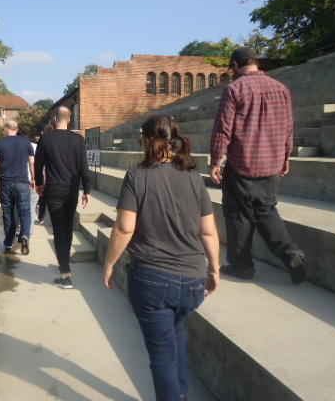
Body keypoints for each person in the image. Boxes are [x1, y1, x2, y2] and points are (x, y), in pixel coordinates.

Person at [103, 115, 220, 401]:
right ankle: (181, 394)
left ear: (145, 141)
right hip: (193, 280)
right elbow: (208, 232)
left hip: (152, 280)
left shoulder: (137, 176)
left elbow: (124, 228)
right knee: (176, 334)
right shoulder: (194, 179)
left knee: (162, 356)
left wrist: (109, 263)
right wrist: (214, 270)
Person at [210, 46, 307, 283]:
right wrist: (285, 157)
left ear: (235, 66)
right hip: (272, 164)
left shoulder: (234, 89)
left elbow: (223, 129)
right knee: (266, 210)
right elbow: (288, 128)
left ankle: (242, 266)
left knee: (237, 214)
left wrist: (215, 160)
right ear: (256, 63)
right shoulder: (281, 89)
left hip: (241, 164)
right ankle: (290, 254)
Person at [34, 106, 91, 289]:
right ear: (69, 119)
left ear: (54, 118)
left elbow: (38, 165)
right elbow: (84, 167)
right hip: (72, 190)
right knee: (67, 227)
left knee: (59, 230)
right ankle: (64, 263)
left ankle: (65, 274)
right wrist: (87, 190)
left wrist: (39, 184)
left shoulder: (46, 138)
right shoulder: (78, 139)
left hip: (54, 190)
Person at [0, 119, 35, 255]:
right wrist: (33, 178)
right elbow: (32, 162)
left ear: (5, 128)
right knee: (25, 211)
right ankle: (25, 235)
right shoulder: (25, 141)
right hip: (23, 183)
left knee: (8, 213)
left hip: (5, 184)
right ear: (16, 129)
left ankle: (8, 242)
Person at [35, 125, 54, 223]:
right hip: (53, 177)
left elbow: (38, 163)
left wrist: (38, 182)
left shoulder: (43, 142)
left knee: (43, 198)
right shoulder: (54, 142)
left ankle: (41, 217)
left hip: (45, 175)